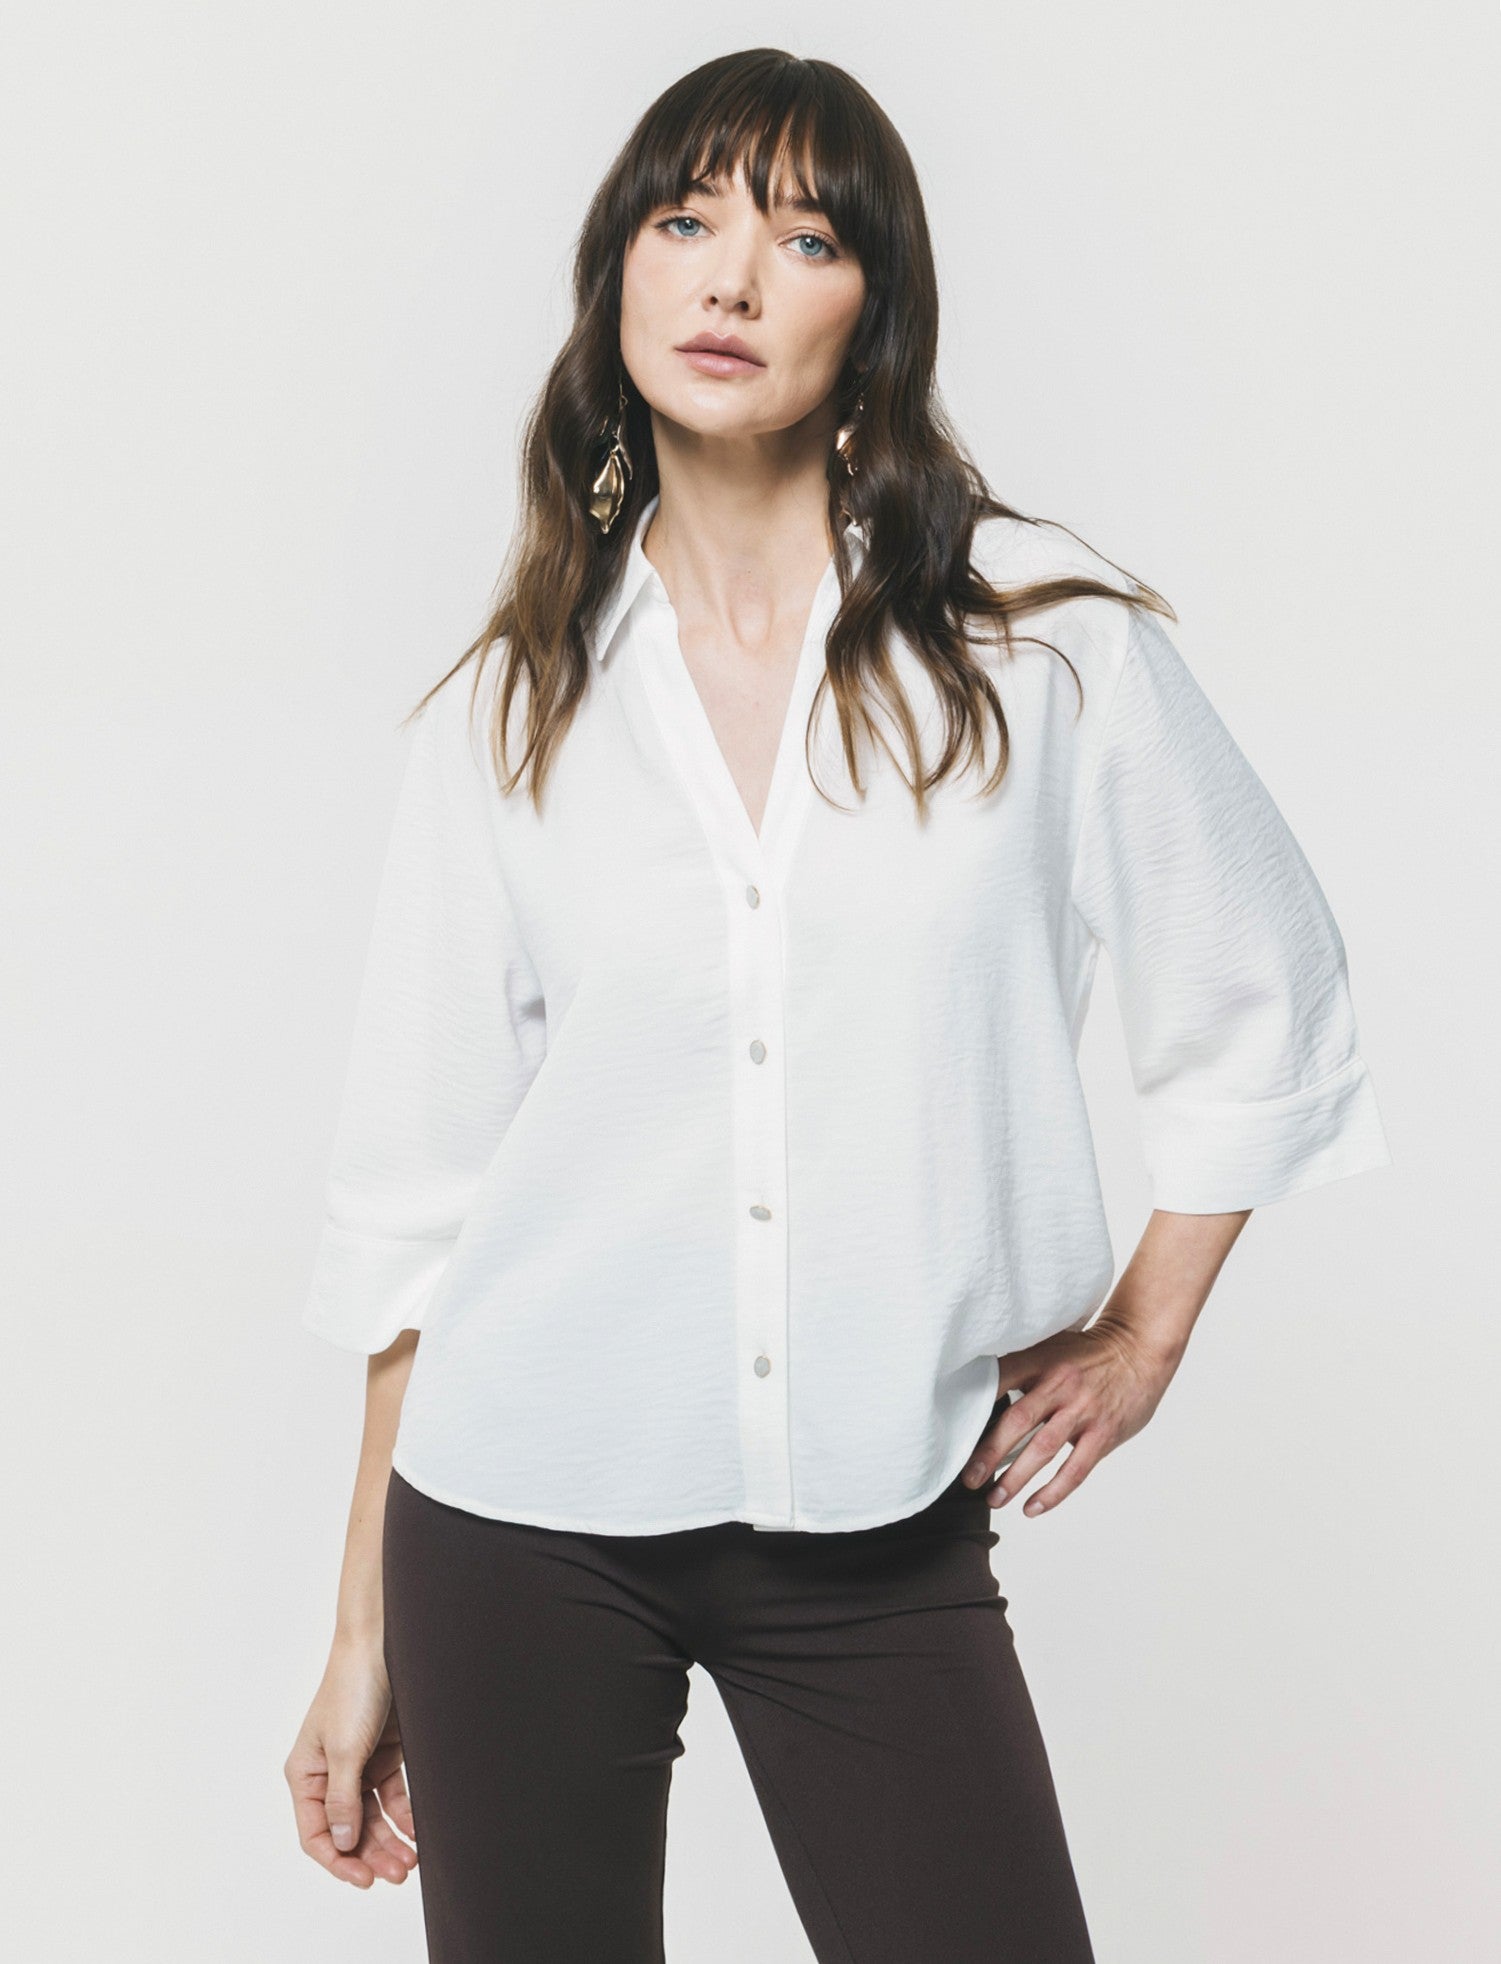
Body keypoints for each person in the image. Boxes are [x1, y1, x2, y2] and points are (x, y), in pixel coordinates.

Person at [283, 48, 1392, 1964]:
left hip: (879, 1521)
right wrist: (360, 1626)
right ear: (616, 275)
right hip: (515, 1517)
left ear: (873, 312)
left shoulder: (1036, 644)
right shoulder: (516, 702)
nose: (729, 278)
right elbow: (419, 1200)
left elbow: (1258, 991)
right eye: (683, 220)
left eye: (802, 240)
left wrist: (1147, 1330)